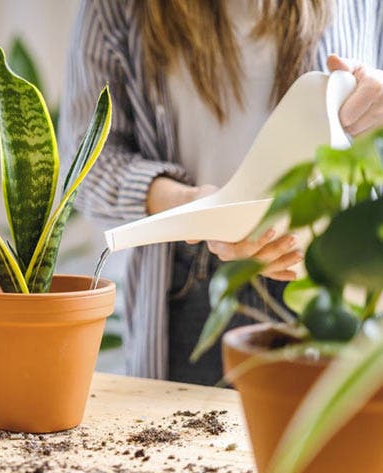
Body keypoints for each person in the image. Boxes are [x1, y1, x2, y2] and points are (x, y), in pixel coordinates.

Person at [60, 0, 383, 385]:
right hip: (187, 282)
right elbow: (86, 165)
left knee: (324, 441)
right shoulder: (117, 8)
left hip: (324, 276)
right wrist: (189, 205)